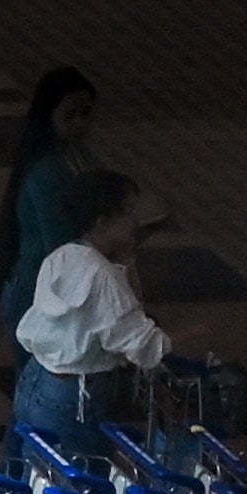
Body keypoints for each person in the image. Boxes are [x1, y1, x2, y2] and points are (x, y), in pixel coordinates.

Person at [11, 169, 178, 439]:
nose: (135, 221)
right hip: (74, 399)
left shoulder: (63, 256)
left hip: (36, 382)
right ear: (102, 222)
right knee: (83, 478)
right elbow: (144, 347)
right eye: (128, 212)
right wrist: (190, 335)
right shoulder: (104, 276)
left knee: (44, 473)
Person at [0, 66, 99, 330]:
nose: (80, 123)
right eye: (69, 115)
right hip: (37, 294)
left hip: (52, 287)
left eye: (85, 114)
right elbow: (59, 243)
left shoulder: (78, 157)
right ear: (48, 116)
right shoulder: (45, 172)